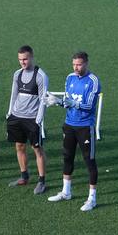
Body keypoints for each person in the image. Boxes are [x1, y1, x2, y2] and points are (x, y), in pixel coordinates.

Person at [46, 52, 101, 211]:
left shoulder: (93, 81)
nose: (76, 68)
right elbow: (68, 102)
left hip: (85, 126)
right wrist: (57, 102)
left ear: (86, 63)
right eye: (74, 64)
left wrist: (71, 103)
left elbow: (89, 106)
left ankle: (92, 199)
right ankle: (66, 191)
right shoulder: (70, 78)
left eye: (79, 64)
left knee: (89, 161)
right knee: (67, 157)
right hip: (69, 124)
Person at [5, 46, 48, 194]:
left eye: (25, 59)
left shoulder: (40, 75)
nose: (22, 62)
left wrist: (38, 119)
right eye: (20, 59)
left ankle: (42, 181)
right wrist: (10, 113)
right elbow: (13, 94)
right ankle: (24, 176)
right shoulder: (17, 74)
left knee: (37, 149)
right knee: (19, 146)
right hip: (16, 117)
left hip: (32, 119)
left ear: (32, 57)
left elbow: (43, 99)